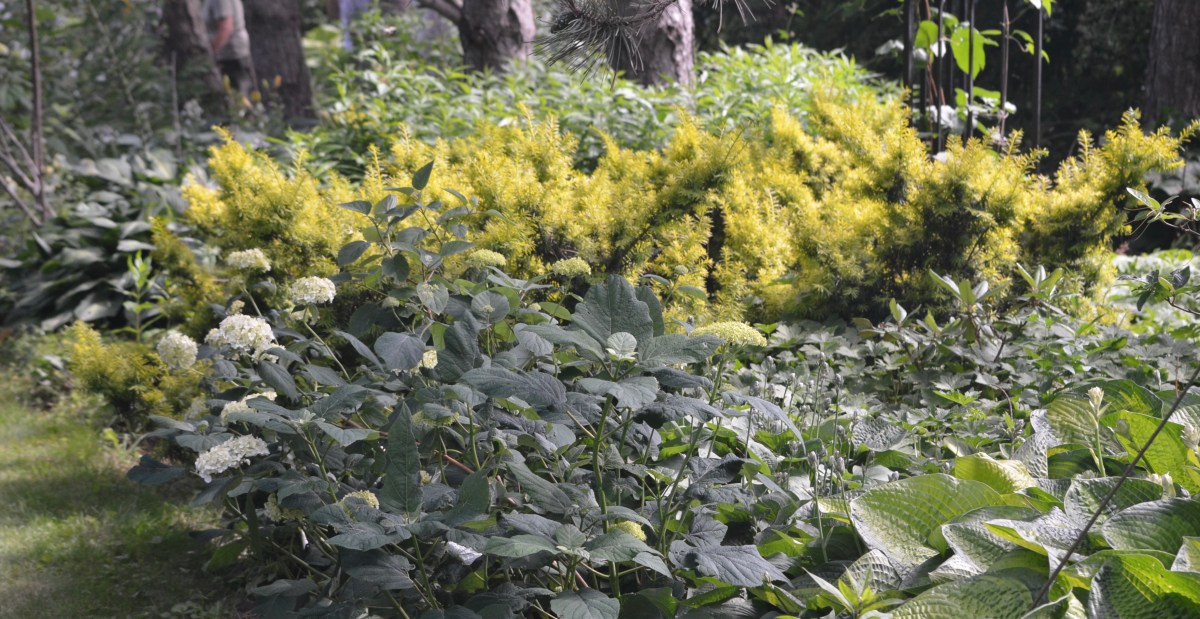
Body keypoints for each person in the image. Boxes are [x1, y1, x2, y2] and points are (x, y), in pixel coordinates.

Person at [203, 0, 254, 95]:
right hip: (230, 56)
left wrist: (208, 54)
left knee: (238, 97)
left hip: (231, 58)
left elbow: (226, 28)